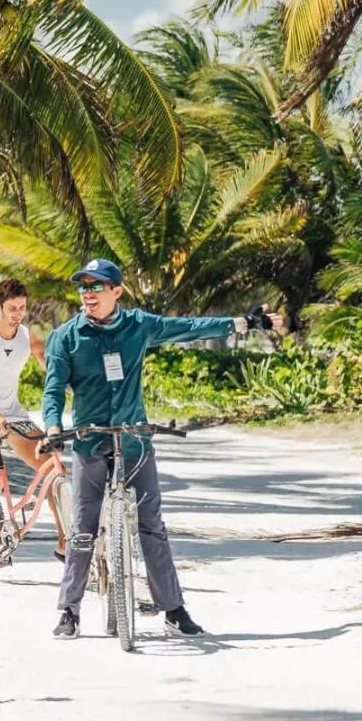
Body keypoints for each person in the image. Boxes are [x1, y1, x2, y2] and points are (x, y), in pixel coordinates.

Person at [42, 258, 281, 641]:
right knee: (83, 529)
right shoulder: (65, 337)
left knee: (152, 526)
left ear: (116, 291)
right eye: (83, 287)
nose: (88, 294)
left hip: (135, 440)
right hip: (89, 441)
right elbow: (53, 390)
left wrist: (242, 322)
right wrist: (53, 426)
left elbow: (187, 328)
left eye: (96, 286)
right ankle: (69, 610)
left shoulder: (138, 325)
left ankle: (173, 610)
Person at [0, 278, 67, 564]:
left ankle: (65, 539)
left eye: (22, 307)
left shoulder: (26, 336)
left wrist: (74, 386)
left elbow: (49, 363)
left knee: (51, 465)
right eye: (12, 308)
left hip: (14, 414)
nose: (18, 313)